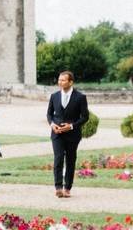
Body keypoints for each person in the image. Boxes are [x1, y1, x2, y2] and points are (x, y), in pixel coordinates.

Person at [47, 70, 89, 199]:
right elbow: (49, 114)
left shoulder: (80, 97)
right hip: (57, 134)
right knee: (58, 158)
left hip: (73, 135)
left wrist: (71, 126)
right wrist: (52, 124)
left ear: (71, 82)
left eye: (63, 80)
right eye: (59, 80)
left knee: (70, 160)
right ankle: (58, 187)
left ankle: (67, 188)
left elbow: (85, 117)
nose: (60, 82)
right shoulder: (54, 96)